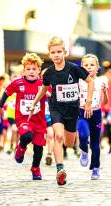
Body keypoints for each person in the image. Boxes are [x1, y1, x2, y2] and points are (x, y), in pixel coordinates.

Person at [30, 36, 94, 186]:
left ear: (65, 52)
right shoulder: (48, 73)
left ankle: (72, 148)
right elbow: (44, 88)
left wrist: (88, 102)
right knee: (58, 136)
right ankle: (60, 169)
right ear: (49, 55)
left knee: (69, 143)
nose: (57, 55)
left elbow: (90, 82)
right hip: (56, 108)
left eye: (59, 51)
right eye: (53, 52)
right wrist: (34, 102)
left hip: (72, 110)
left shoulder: (74, 68)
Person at [0, 53, 47, 180]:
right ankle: (21, 147)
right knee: (27, 136)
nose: (31, 71)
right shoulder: (18, 83)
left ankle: (35, 168)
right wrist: (0, 105)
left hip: (39, 120)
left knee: (39, 148)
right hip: (23, 118)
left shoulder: (43, 84)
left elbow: (53, 95)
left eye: (34, 69)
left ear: (39, 70)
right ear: (23, 71)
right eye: (28, 69)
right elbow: (6, 92)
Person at [78, 54, 108, 180]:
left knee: (95, 143)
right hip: (82, 112)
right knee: (83, 135)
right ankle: (84, 151)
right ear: (81, 67)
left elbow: (105, 102)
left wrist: (105, 92)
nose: (89, 67)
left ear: (97, 68)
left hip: (96, 113)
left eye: (92, 65)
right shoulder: (78, 81)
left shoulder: (102, 81)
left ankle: (95, 168)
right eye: (86, 65)